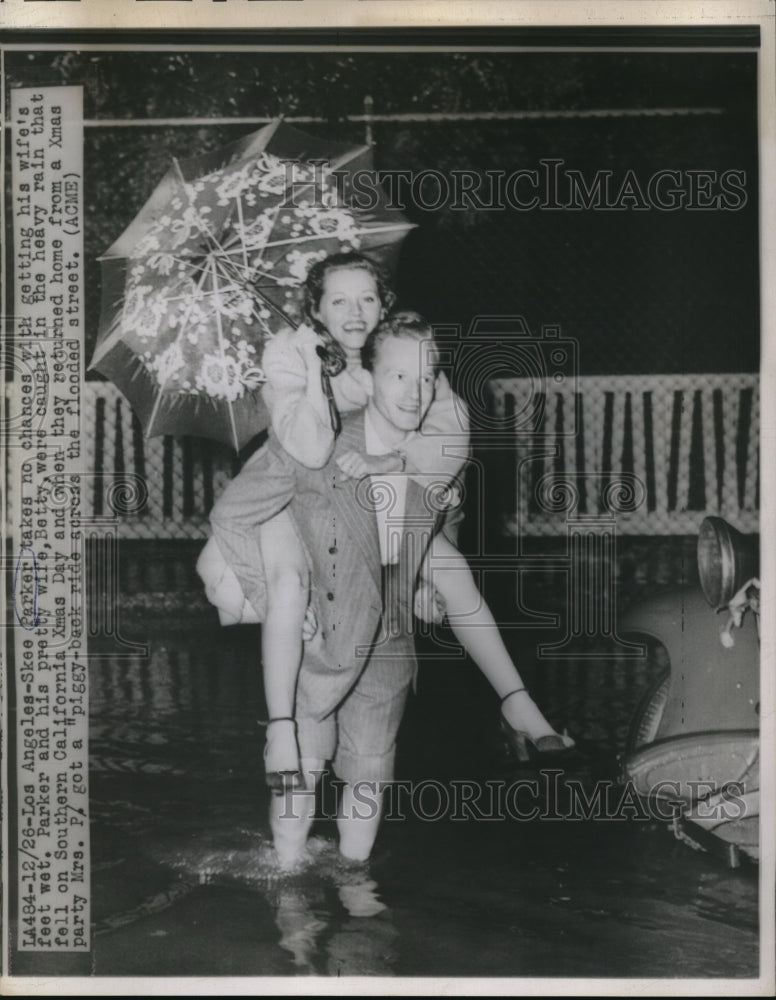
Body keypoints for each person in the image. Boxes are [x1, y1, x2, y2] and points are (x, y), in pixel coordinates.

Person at [200, 252, 572, 791]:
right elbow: (306, 449)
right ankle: (283, 707)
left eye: (368, 299)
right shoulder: (292, 353)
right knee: (238, 585)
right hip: (294, 495)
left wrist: (415, 545)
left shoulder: (401, 353)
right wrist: (309, 369)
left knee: (450, 568)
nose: (356, 313)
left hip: (373, 502)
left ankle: (517, 702)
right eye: (339, 301)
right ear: (317, 310)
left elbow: (447, 449)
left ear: (385, 304)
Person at [211, 314, 451, 864]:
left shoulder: (439, 456)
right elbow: (231, 517)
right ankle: (287, 889)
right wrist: (277, 603)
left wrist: (423, 584)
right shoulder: (316, 443)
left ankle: (356, 890)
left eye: (428, 376)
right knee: (299, 776)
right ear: (369, 377)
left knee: (370, 775)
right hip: (318, 651)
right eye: (399, 377)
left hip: (387, 646)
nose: (416, 392)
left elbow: (444, 518)